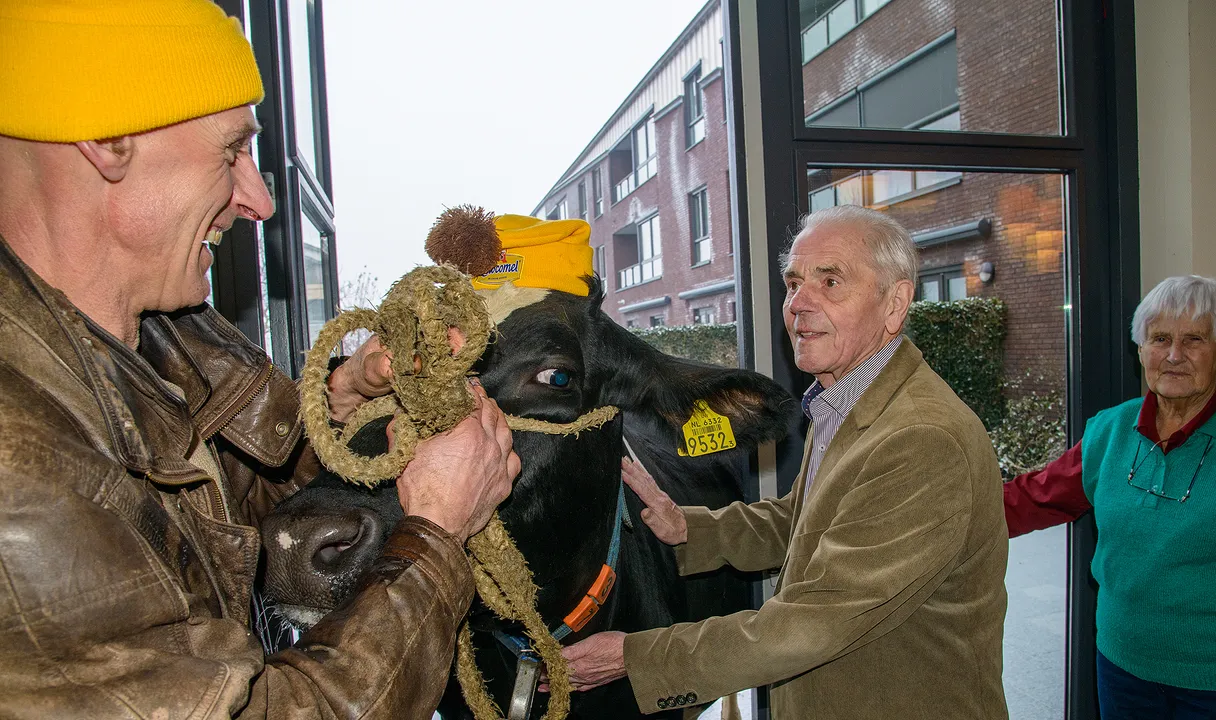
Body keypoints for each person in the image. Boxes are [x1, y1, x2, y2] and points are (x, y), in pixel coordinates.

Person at [0, 1, 518, 717]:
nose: (261, 202)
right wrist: (437, 533)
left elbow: (248, 509)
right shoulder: (17, 467)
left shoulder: (170, 329)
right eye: (230, 152)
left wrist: (349, 398)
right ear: (106, 138)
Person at [556, 205, 1009, 717]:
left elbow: (818, 621)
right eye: (793, 284)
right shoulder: (845, 400)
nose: (798, 305)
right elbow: (803, 521)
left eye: (831, 282)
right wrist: (689, 528)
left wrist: (637, 658)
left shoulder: (921, 439)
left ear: (895, 303)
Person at [1004, 275, 1216, 720]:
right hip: (1121, 668)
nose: (1173, 355)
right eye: (1159, 339)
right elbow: (1036, 498)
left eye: (1194, 339)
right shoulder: (1110, 430)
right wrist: (939, 512)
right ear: (1140, 351)